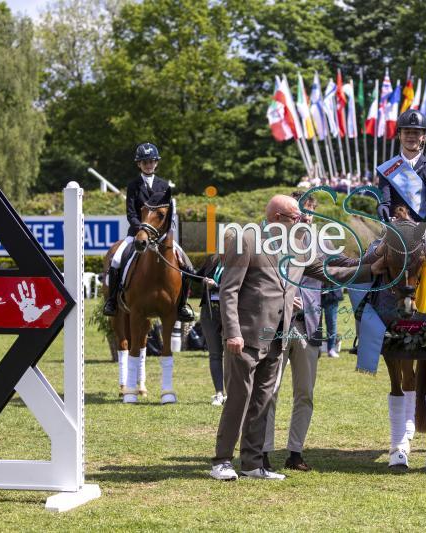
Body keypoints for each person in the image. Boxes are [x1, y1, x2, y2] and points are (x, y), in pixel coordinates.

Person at [210, 194, 381, 481]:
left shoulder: (299, 247)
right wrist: (233, 332)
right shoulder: (247, 240)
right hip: (248, 335)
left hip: (278, 336)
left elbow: (331, 273)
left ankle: (252, 463)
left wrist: (371, 270)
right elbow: (229, 290)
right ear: (277, 218)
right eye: (296, 217)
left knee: (262, 401)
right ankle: (222, 461)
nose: (301, 222)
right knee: (239, 399)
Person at [263, 192, 359, 471]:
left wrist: (375, 258)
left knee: (304, 393)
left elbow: (342, 263)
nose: (307, 217)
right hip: (277, 326)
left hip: (310, 326)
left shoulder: (320, 240)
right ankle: (265, 450)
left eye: (311, 213)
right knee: (270, 391)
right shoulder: (270, 240)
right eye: (301, 212)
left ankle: (295, 451)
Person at [103, 142, 196, 322]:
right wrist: (143, 229)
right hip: (138, 234)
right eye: (145, 162)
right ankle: (112, 302)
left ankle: (182, 305)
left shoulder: (164, 186)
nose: (148, 165)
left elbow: (168, 214)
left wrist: (161, 232)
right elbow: (131, 213)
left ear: (156, 163)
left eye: (151, 161)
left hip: (160, 236)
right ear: (139, 164)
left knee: (186, 263)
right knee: (115, 260)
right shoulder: (133, 185)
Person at [376, 109, 426, 233]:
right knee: (371, 251)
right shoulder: (388, 169)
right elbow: (384, 204)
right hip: (395, 228)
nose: (411, 136)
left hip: (423, 228)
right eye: (407, 132)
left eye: (416, 133)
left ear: (423, 137)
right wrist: (388, 221)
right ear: (399, 135)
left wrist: (425, 229)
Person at [195, 253, 225, 406]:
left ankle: (234, 393)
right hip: (209, 311)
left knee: (234, 357)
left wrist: (217, 286)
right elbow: (195, 276)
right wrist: (179, 264)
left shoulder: (239, 260)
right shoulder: (212, 260)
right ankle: (219, 393)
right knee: (215, 354)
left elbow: (242, 286)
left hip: (230, 312)